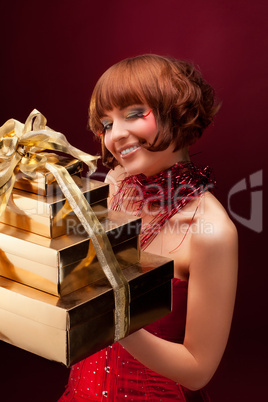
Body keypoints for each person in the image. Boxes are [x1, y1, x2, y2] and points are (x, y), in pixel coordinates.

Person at [58, 54, 238, 401]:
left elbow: (198, 370)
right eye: (107, 124)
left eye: (134, 114)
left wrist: (110, 321)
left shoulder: (212, 232)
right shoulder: (115, 185)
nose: (116, 136)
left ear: (177, 112)